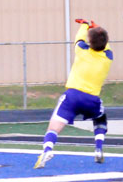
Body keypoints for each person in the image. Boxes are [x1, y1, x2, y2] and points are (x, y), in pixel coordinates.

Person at [34, 19, 112, 168]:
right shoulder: (108, 57)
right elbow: (105, 44)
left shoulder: (82, 50)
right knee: (100, 117)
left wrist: (85, 25)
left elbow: (79, 39)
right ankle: (99, 147)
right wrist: (99, 29)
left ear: (90, 40)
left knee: (54, 127)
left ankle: (47, 149)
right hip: (92, 99)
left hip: (72, 96)